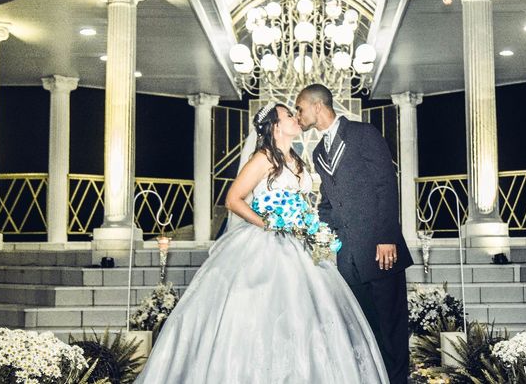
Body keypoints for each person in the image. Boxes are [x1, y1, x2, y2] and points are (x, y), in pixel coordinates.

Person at [134, 102, 388, 384]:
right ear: (276, 126)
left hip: (298, 242)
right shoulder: (263, 158)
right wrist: (268, 222)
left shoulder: (297, 158)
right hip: (266, 243)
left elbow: (302, 202)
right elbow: (233, 199)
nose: (295, 118)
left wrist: (308, 225)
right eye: (288, 115)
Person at [295, 84, 413, 384]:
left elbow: (385, 185)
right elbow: (334, 204)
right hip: (348, 259)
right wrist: (313, 226)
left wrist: (387, 237)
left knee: (392, 331)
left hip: (380, 250)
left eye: (300, 108)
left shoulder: (364, 133)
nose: (298, 115)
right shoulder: (320, 151)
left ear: (317, 106)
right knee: (366, 332)